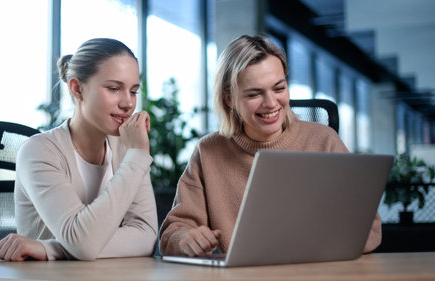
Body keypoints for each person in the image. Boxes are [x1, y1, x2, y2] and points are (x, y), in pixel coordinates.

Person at [159, 35, 382, 257]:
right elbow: (173, 233)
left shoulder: (324, 141)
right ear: (229, 99)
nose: (271, 103)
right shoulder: (208, 152)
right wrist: (185, 240)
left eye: (279, 88)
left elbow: (370, 228)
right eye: (254, 93)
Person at [0, 38, 158, 261]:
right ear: (77, 89)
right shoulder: (39, 151)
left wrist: (50, 248)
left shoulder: (128, 146)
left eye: (134, 91)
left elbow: (145, 236)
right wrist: (137, 156)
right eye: (114, 88)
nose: (128, 103)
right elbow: (83, 244)